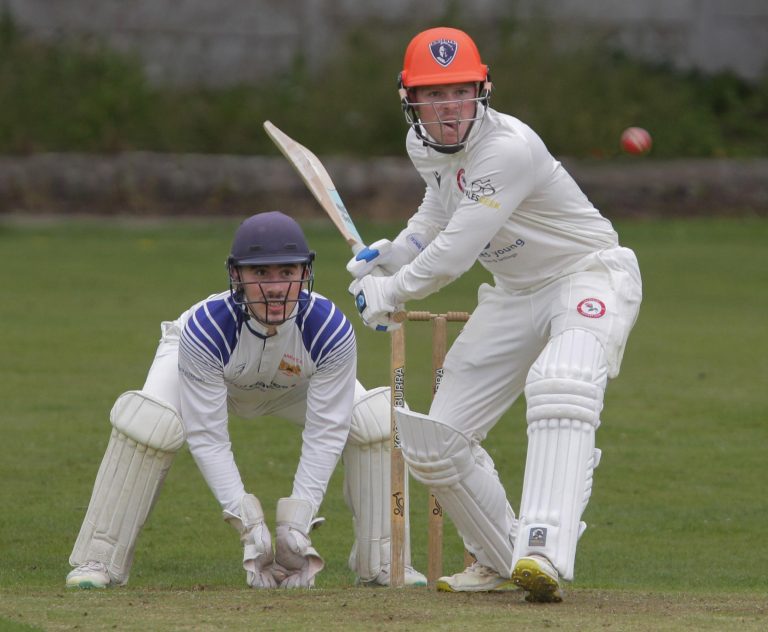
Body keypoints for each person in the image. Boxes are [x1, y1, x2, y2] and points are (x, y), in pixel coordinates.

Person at [347, 27, 642, 602]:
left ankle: (542, 549)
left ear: (482, 90)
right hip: (514, 292)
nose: (448, 107)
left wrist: (393, 293)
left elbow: (456, 252)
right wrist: (396, 252)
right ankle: (497, 557)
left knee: (563, 384)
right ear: (411, 100)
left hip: (587, 274)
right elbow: (438, 214)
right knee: (435, 442)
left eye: (459, 91)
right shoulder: (424, 147)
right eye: (433, 95)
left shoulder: (507, 148)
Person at [67, 211, 426, 590]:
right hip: (210, 371)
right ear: (236, 276)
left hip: (291, 385)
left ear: (304, 274)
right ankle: (99, 559)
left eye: (287, 273)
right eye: (260, 274)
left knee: (375, 420)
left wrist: (296, 526)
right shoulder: (206, 329)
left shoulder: (328, 328)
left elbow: (327, 431)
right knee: (148, 423)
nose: (275, 288)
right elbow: (207, 436)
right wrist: (249, 524)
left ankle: (385, 561)